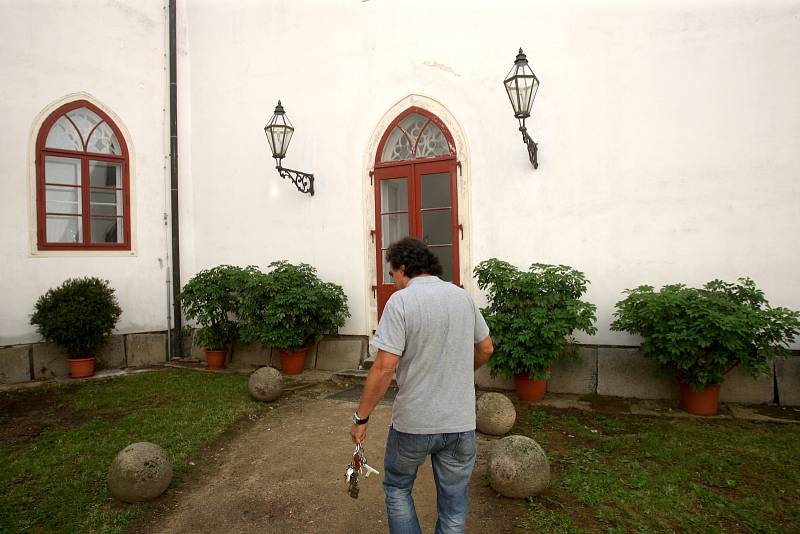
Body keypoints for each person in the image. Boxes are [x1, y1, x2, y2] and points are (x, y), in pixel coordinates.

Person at [350, 237, 494, 534]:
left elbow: (383, 367)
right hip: (460, 424)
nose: (394, 281)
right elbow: (486, 348)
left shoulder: (401, 302)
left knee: (398, 488)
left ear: (403, 268)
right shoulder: (462, 297)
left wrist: (361, 418)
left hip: (414, 424)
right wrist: (457, 373)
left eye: (392, 274)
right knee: (454, 506)